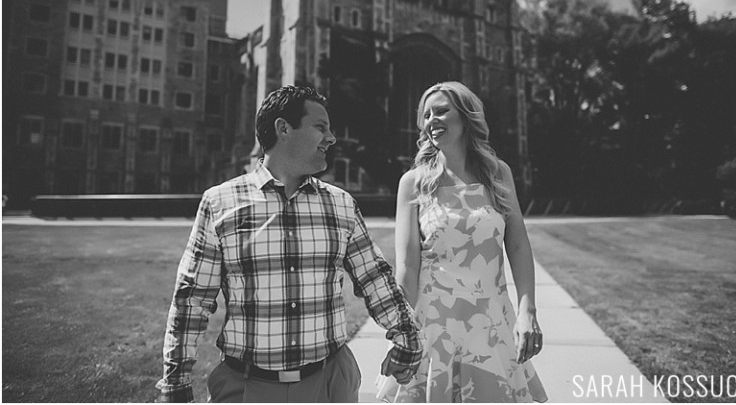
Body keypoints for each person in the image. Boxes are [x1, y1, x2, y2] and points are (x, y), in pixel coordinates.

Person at [156, 85, 422, 403]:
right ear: (284, 128)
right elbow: (192, 301)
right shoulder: (219, 203)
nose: (332, 138)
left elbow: (375, 279)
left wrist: (407, 337)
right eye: (320, 127)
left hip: (331, 385)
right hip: (248, 388)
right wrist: (175, 382)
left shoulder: (341, 204)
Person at [377, 82, 548, 402]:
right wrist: (401, 333)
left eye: (441, 111)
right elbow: (407, 265)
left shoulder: (498, 174)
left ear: (467, 117)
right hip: (434, 327)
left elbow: (519, 246)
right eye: (426, 115)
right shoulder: (413, 183)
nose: (431, 120)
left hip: (492, 325)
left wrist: (528, 312)